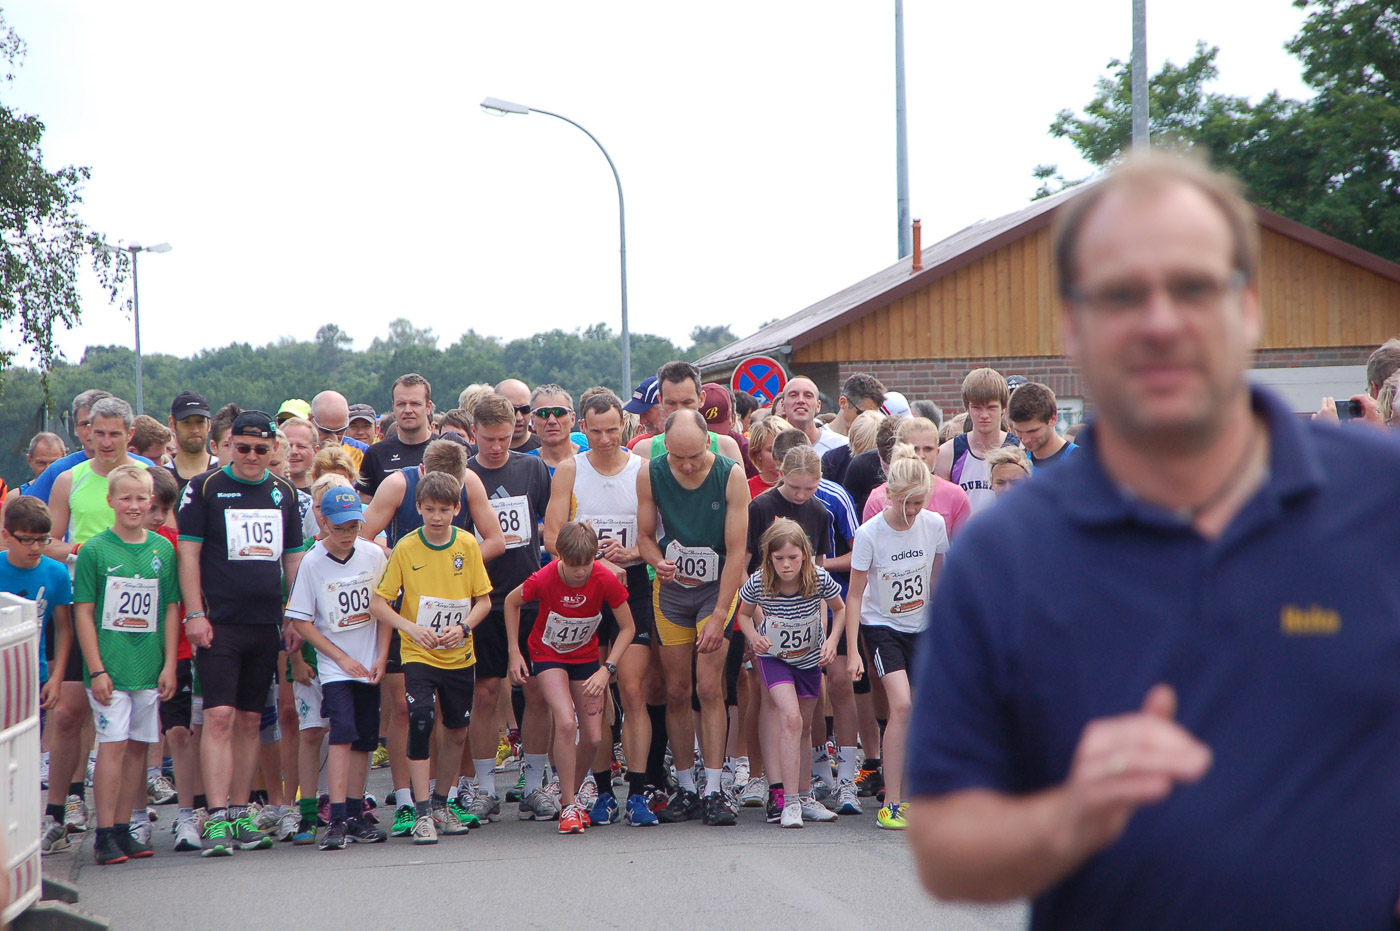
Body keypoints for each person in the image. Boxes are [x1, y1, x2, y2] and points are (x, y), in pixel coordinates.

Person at [904, 154, 1400, 927]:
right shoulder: (1004, 556)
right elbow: (942, 845)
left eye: (1194, 286)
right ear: (1073, 324)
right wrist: (1071, 814)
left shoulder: (1382, 499)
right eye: (1122, 294)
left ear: (1249, 306)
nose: (1161, 320)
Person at [177, 410, 307, 857]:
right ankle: (214, 815)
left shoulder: (283, 492)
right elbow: (188, 555)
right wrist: (195, 613)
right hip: (220, 622)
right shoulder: (205, 488)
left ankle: (238, 810)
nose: (252, 456)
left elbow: (293, 559)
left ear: (274, 449)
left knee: (252, 720)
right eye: (244, 447)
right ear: (229, 444)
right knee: (218, 716)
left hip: (265, 622)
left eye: (261, 449)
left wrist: (294, 616)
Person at [543, 390, 659, 827]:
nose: (606, 439)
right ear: (582, 429)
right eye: (596, 432)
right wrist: (596, 562)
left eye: (613, 430)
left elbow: (657, 537)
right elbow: (552, 537)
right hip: (586, 592)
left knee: (632, 689)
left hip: (632, 589)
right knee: (595, 698)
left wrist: (632, 555)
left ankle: (639, 792)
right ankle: (603, 790)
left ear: (623, 427)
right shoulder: (570, 470)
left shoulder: (642, 470)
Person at [638, 409, 749, 826]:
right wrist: (657, 561)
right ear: (665, 446)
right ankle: (686, 786)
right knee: (677, 689)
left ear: (708, 442)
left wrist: (720, 614)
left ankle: (715, 788)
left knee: (709, 686)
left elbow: (736, 553)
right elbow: (645, 536)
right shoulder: (651, 473)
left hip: (715, 590)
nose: (686, 466)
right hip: (672, 592)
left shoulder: (730, 474)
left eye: (695, 457)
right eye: (678, 457)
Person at [370, 471, 492, 844]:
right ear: (418, 508)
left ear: (457, 509)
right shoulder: (406, 547)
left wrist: (464, 628)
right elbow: (379, 603)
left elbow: (483, 601)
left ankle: (441, 803)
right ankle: (421, 811)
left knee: (456, 730)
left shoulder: (467, 544)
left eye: (444, 509)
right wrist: (410, 628)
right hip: (419, 653)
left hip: (458, 654)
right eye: (429, 509)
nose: (436, 517)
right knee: (421, 719)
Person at [71, 465, 180, 864]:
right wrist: (96, 668)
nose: (134, 506)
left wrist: (169, 664)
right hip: (110, 668)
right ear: (110, 501)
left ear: (151, 501)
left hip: (148, 666)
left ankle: (122, 827)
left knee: (139, 748)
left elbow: (171, 607)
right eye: (126, 498)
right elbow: (83, 612)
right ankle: (103, 834)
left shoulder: (163, 549)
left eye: (141, 498)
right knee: (112, 746)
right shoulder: (95, 551)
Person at [505, 521, 635, 834]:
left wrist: (607, 669)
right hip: (547, 653)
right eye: (573, 565)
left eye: (586, 564)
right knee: (565, 721)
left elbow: (628, 627)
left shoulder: (603, 577)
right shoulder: (546, 576)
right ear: (560, 557)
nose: (580, 572)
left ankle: (569, 796)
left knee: (593, 738)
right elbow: (511, 602)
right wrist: (514, 652)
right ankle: (569, 807)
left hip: (586, 658)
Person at [462, 393, 553, 822]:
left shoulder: (532, 468)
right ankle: (483, 789)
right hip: (481, 599)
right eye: (488, 439)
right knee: (484, 692)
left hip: (528, 595)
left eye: (504, 438)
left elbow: (552, 523)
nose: (497, 447)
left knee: (534, 690)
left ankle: (534, 784)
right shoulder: (464, 474)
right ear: (473, 432)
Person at [847, 443, 947, 830]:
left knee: (919, 710)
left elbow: (938, 581)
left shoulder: (934, 525)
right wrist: (854, 651)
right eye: (907, 503)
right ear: (888, 494)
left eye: (920, 502)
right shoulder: (869, 534)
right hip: (882, 626)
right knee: (901, 706)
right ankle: (891, 802)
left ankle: (914, 795)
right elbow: (855, 595)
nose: (914, 511)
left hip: (922, 625)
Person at [286, 485, 390, 850]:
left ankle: (357, 813)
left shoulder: (373, 555)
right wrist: (340, 658)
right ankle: (337, 817)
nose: (347, 535)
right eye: (339, 528)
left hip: (369, 663)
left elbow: (385, 609)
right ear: (324, 522)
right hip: (335, 667)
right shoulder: (312, 562)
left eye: (353, 527)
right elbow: (301, 621)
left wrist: (381, 656)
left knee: (365, 738)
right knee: (341, 732)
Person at [734, 519, 845, 828]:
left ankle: (805, 796)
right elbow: (743, 614)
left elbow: (841, 608)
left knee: (805, 726)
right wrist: (754, 637)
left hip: (808, 659)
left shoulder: (819, 578)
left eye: (793, 557)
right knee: (791, 718)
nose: (786, 565)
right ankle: (790, 801)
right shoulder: (759, 581)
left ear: (804, 555)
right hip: (775, 658)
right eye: (779, 558)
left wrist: (832, 641)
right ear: (768, 557)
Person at [2, 497, 76, 854]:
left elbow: (63, 627)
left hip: (35, 674)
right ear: (7, 536)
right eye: (27, 540)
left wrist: (57, 676)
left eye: (42, 540)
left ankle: (29, 830)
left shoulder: (55, 572)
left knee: (28, 754)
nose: (35, 548)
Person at [862, 417, 972, 540]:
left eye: (928, 449)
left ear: (937, 452)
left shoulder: (955, 495)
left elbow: (962, 546)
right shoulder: (878, 498)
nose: (921, 455)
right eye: (914, 449)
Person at [934, 369, 1020, 515]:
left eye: (991, 407)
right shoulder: (948, 454)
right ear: (967, 408)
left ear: (1003, 408)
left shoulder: (1020, 450)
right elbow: (943, 511)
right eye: (977, 408)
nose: (984, 415)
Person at [633, 362, 744, 463]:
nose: (680, 410)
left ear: (701, 399)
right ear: (660, 401)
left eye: (687, 402)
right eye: (671, 403)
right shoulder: (644, 451)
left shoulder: (727, 447)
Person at [358, 374, 435, 499]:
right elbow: (365, 504)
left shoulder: (446, 450)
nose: (408, 410)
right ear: (393, 407)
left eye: (415, 404)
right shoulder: (376, 454)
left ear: (428, 407)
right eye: (401, 404)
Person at [1008, 382, 1078, 470]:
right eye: (1019, 431)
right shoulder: (1016, 464)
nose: (1025, 440)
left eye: (1032, 431)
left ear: (1053, 419)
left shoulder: (1081, 461)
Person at [527, 384, 584, 472]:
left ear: (572, 419)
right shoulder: (524, 466)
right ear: (533, 421)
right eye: (543, 413)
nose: (552, 421)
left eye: (559, 413)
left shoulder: (593, 461)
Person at [701, 383, 754, 478]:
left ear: (734, 420)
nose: (713, 438)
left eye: (719, 431)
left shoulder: (747, 450)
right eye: (707, 432)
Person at [781, 376, 844, 456]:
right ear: (783, 405)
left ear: (818, 406)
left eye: (808, 396)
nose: (800, 400)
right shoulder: (771, 446)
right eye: (793, 395)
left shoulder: (840, 446)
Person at [310, 391, 370, 472]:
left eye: (340, 432)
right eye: (326, 432)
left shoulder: (362, 452)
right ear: (311, 419)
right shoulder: (297, 451)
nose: (333, 439)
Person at [165, 391, 213, 491]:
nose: (195, 430)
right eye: (186, 422)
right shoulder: (161, 478)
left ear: (209, 424)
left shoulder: (224, 473)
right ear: (172, 424)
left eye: (200, 422)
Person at [744, 415, 793, 499]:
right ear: (758, 453)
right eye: (773, 450)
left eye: (787, 448)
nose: (782, 455)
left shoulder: (805, 487)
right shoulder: (745, 489)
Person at [495, 378, 541, 453]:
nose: (519, 417)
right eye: (512, 410)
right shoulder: (481, 452)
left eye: (525, 409)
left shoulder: (544, 450)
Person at [623, 376, 664, 449]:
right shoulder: (637, 445)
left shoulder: (685, 441)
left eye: (647, 412)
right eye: (640, 414)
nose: (642, 421)